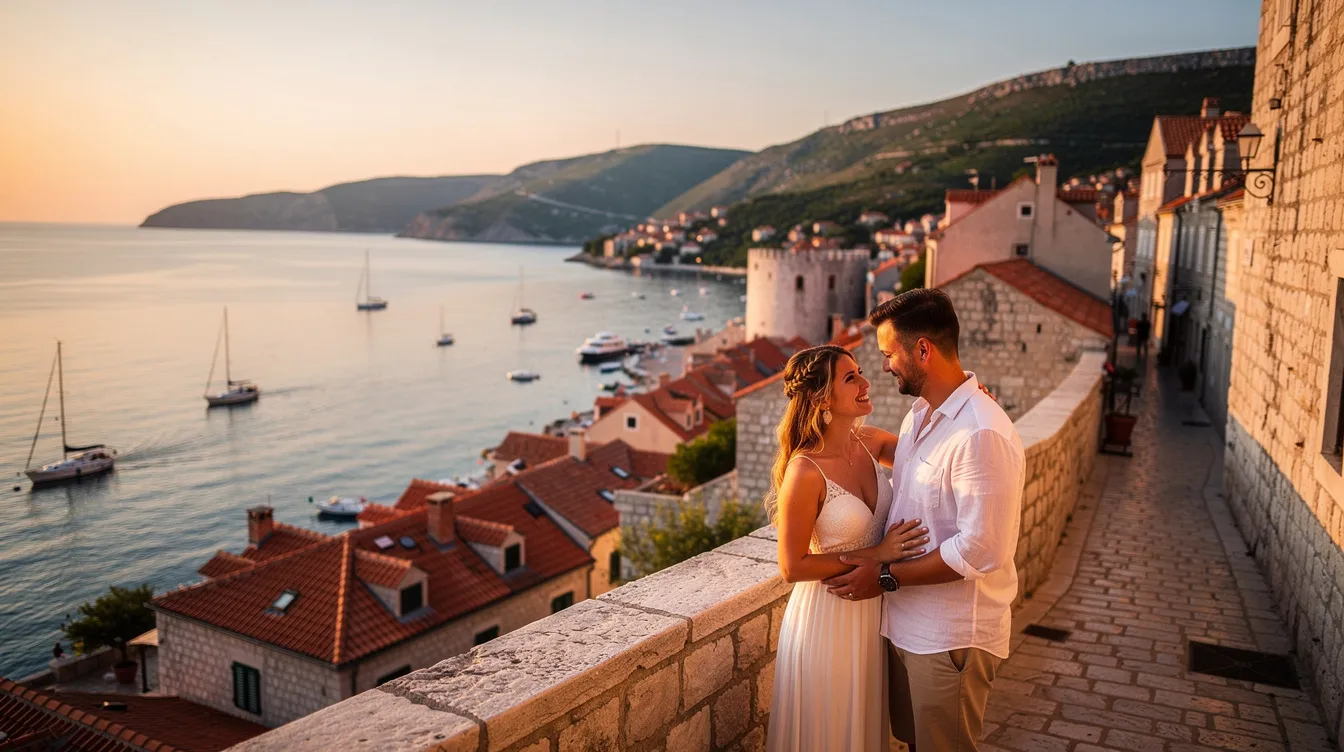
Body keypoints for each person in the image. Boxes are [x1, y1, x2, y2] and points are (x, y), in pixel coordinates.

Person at [825, 288, 1025, 752]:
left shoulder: (981, 432)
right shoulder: (923, 416)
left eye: (888, 353)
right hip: (909, 628)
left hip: (949, 635)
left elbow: (981, 550)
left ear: (922, 350)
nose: (884, 366)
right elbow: (896, 457)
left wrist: (886, 577)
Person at [765, 345, 929, 751]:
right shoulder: (805, 470)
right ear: (822, 397)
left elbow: (930, 449)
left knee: (862, 726)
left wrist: (972, 403)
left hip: (872, 615)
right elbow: (792, 566)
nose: (866, 383)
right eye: (850, 377)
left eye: (859, 373)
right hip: (827, 617)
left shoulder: (870, 442)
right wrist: (878, 554)